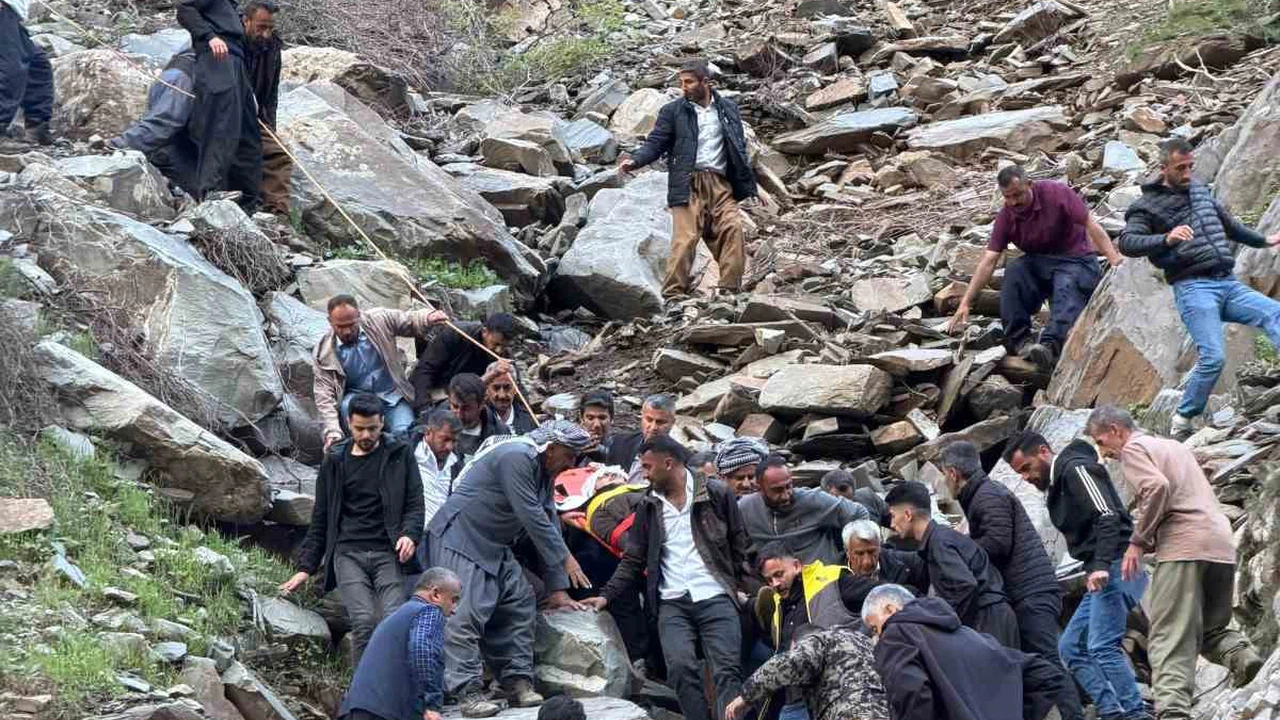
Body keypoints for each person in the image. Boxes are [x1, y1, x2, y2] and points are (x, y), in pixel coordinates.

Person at [1086, 405, 1263, 718]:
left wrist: (1137, 543)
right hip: (1219, 543)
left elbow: (1157, 487)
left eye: (1101, 442)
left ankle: (1172, 712)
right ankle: (1242, 657)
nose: (1103, 452)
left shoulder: (1133, 449)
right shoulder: (1172, 446)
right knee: (1212, 629)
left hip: (1183, 546)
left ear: (1116, 430)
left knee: (1167, 636)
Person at [426, 421, 593, 718]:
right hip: (462, 537)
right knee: (465, 613)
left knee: (520, 601)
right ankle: (467, 692)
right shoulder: (516, 456)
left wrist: (557, 588)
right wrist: (565, 558)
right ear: (551, 449)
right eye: (569, 456)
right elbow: (530, 514)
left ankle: (516, 681)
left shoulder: (543, 469)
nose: (571, 464)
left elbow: (548, 515)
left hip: (494, 545)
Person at [1118, 138, 1280, 440]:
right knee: (1213, 357)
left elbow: (1229, 225)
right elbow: (1127, 243)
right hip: (1194, 288)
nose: (1188, 173)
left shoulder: (1200, 191)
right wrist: (1166, 238)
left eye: (1191, 166)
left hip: (1227, 283)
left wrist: (1265, 240)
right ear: (1163, 167)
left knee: (1275, 314)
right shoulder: (1146, 206)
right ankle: (1183, 417)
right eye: (1181, 168)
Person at [585, 434, 753, 720]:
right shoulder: (649, 506)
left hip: (715, 595)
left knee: (727, 669)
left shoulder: (716, 494)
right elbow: (634, 559)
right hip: (672, 602)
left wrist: (741, 586)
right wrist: (605, 595)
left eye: (648, 467)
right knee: (680, 668)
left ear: (669, 463)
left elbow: (741, 546)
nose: (644, 474)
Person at [1004, 430, 1149, 720]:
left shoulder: (1076, 469)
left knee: (1102, 646)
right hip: (1100, 570)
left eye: (1026, 468)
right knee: (1070, 647)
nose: (1025, 477)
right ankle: (1112, 710)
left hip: (1116, 565)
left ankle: (1135, 713)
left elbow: (1107, 515)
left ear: (1044, 452)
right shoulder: (1056, 486)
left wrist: (1100, 564)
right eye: (1019, 473)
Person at [937, 442, 1081, 720]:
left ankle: (1073, 714)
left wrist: (961, 544)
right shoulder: (981, 493)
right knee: (1036, 660)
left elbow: (997, 543)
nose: (944, 480)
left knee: (1046, 660)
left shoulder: (987, 495)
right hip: (1028, 591)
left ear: (953, 473)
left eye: (944, 474)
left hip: (1032, 591)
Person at [280, 393, 425, 665]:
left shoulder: (399, 453)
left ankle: (395, 693)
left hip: (388, 551)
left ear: (383, 422)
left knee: (395, 620)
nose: (366, 434)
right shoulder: (335, 460)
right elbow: (321, 517)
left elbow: (415, 502)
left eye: (372, 428)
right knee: (364, 621)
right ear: (348, 423)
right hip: (348, 553)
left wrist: (410, 535)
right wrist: (305, 567)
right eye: (359, 428)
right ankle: (362, 697)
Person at [948, 165, 1121, 372]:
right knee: (1014, 271)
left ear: (1030, 184)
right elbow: (989, 260)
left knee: (1068, 285)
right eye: (1007, 197)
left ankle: (1050, 346)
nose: (1013, 202)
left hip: (1076, 261)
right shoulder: (1007, 216)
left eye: (1017, 195)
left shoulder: (1056, 193)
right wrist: (966, 302)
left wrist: (1114, 260)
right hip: (1039, 263)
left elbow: (1091, 225)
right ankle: (1020, 342)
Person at [618, 58, 756, 298]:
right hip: (686, 182)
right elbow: (656, 142)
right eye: (681, 82)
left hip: (721, 184)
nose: (684, 87)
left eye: (689, 82)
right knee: (685, 239)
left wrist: (751, 186)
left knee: (733, 230)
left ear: (706, 82)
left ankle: (729, 293)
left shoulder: (728, 109)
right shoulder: (673, 111)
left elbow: (739, 149)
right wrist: (636, 160)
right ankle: (673, 296)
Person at [863, 585, 1071, 720]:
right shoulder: (966, 633)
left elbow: (911, 693)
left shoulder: (895, 633)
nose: (876, 638)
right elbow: (1044, 674)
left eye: (874, 628)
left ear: (891, 610)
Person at [884, 481, 1019, 647]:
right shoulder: (940, 538)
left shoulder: (939, 543)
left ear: (907, 515)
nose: (891, 524)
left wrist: (953, 627)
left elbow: (966, 586)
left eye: (892, 516)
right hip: (991, 615)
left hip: (989, 619)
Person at [313, 295, 447, 448]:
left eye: (351, 324)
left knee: (405, 436)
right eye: (340, 326)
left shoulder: (378, 320)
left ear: (359, 316)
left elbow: (407, 319)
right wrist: (332, 432)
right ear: (330, 321)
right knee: (348, 414)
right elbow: (324, 396)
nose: (347, 331)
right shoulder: (323, 353)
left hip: (393, 396)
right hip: (357, 400)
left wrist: (428, 317)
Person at [753, 542, 861, 720]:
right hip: (794, 703)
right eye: (769, 580)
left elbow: (881, 596)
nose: (775, 584)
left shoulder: (831, 579)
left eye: (779, 574)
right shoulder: (778, 606)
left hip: (836, 694)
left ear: (796, 565)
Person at [338, 567, 461, 720]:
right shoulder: (428, 611)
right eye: (453, 600)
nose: (455, 610)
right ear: (435, 594)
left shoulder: (398, 616)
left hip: (355, 710)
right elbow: (423, 651)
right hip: (383, 713)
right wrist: (432, 704)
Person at [176, 0, 263, 208]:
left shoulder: (231, 6)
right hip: (218, 59)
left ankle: (248, 202)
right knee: (221, 124)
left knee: (248, 133)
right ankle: (211, 191)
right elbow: (184, 9)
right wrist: (209, 37)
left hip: (236, 63)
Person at [724, 622, 890, 720]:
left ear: (797, 644)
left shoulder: (819, 641)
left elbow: (788, 663)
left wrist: (746, 696)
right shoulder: (865, 644)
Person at [739, 455, 869, 566]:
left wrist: (853, 554)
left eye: (788, 486)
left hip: (820, 578)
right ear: (759, 487)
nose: (786, 495)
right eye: (777, 490)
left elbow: (859, 513)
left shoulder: (813, 500)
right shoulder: (745, 508)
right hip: (775, 580)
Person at [108, 48, 200, 193]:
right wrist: (120, 145)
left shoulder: (186, 68)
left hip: (184, 152)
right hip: (174, 156)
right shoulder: (183, 77)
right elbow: (164, 122)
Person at [241, 0, 289, 215]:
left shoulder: (272, 48)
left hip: (255, 117)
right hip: (230, 113)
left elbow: (271, 95)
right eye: (261, 27)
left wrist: (271, 128)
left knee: (278, 153)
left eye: (270, 28)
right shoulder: (233, 44)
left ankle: (277, 213)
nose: (266, 34)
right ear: (246, 21)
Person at [411, 313, 516, 410]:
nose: (499, 351)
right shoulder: (454, 333)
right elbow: (425, 369)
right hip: (438, 388)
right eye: (496, 344)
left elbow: (515, 386)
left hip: (470, 397)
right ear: (484, 332)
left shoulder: (504, 354)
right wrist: (423, 408)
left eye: (504, 346)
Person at [840, 519, 927, 613]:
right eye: (859, 554)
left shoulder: (900, 563)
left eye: (872, 552)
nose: (867, 561)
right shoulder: (836, 574)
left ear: (880, 546)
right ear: (847, 552)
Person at [0, 0, 52, 148]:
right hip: (4, 10)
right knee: (11, 68)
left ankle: (37, 128)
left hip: (11, 11)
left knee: (38, 65)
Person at [444, 373, 511, 464]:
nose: (459, 414)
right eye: (455, 407)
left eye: (466, 408)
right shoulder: (431, 426)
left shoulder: (500, 435)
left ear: (482, 404)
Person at [412, 409, 461, 528]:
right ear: (429, 432)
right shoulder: (407, 453)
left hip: (442, 537)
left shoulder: (457, 466)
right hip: (409, 536)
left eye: (454, 441)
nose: (449, 447)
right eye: (445, 439)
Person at [605, 393, 677, 473]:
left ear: (672, 422)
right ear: (642, 416)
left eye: (660, 422)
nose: (653, 427)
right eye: (649, 420)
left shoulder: (680, 459)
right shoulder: (619, 444)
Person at [484, 361, 536, 434]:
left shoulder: (529, 419)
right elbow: (464, 395)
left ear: (516, 389)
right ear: (487, 389)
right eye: (496, 388)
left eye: (507, 387)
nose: (502, 395)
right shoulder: (479, 418)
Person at [579, 389, 616, 463]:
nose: (597, 425)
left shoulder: (623, 446)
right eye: (590, 418)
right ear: (581, 419)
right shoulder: (569, 445)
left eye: (602, 418)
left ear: (611, 418)